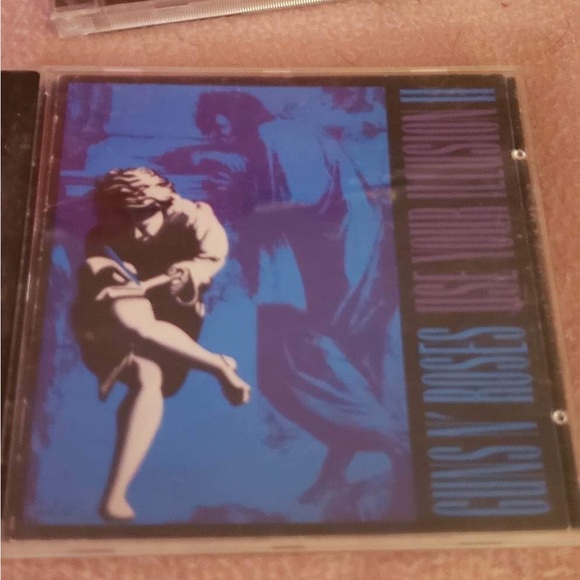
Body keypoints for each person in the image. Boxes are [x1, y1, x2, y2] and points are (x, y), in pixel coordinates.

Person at [71, 167, 251, 522]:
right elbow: (124, 304)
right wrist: (126, 286)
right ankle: (217, 366)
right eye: (124, 220)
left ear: (163, 206)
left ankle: (115, 495)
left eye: (143, 219)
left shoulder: (194, 218)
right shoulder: (100, 241)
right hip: (109, 325)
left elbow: (210, 259)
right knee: (140, 350)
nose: (135, 232)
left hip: (177, 318)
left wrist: (171, 278)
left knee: (151, 376)